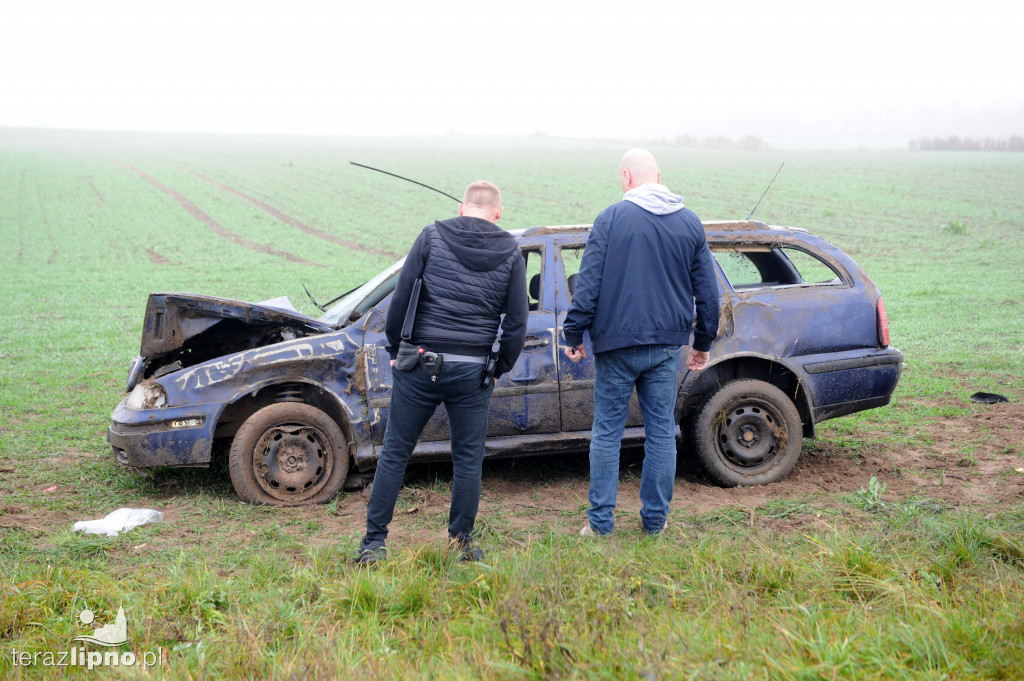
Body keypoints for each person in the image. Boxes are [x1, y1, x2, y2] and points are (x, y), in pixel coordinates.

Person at [355, 180, 528, 565]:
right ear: (498, 212)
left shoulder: (431, 236)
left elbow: (401, 298)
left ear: (463, 207)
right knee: (468, 459)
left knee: (396, 452)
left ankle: (373, 545)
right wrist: (498, 367)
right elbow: (517, 324)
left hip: (420, 361)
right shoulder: (513, 253)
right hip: (472, 373)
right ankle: (460, 545)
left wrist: (396, 350)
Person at [563, 149, 719, 536]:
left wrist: (574, 333)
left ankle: (599, 525)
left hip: (616, 345)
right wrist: (702, 342)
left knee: (607, 433)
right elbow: (708, 293)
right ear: (658, 176)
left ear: (627, 177)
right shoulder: (690, 223)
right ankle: (655, 522)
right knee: (661, 431)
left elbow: (588, 283)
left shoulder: (611, 219)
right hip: (666, 347)